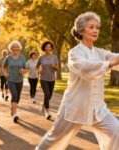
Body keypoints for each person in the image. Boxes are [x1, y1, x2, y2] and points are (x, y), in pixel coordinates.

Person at [35, 12, 119, 150]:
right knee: (54, 139)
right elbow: (85, 69)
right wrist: (109, 64)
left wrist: (112, 61)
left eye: (97, 27)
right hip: (74, 107)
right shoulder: (74, 53)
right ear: (81, 30)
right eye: (91, 27)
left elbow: (116, 58)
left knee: (116, 131)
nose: (96, 30)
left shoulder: (100, 53)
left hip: (97, 109)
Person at [3, 40, 26, 123]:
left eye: (17, 48)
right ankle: (15, 114)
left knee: (18, 97)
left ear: (19, 49)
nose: (16, 50)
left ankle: (12, 108)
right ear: (11, 49)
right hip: (11, 79)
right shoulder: (8, 58)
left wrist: (23, 71)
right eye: (14, 48)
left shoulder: (22, 58)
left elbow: (26, 68)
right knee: (14, 95)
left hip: (20, 80)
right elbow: (4, 67)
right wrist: (5, 73)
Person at [36, 41, 59, 119]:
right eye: (47, 47)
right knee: (46, 94)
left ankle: (43, 104)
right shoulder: (41, 58)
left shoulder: (54, 57)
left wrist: (54, 66)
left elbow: (57, 68)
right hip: (43, 79)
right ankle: (47, 112)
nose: (48, 48)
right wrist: (39, 70)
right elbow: (37, 66)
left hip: (52, 79)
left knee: (49, 95)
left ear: (51, 48)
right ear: (44, 48)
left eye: (49, 47)